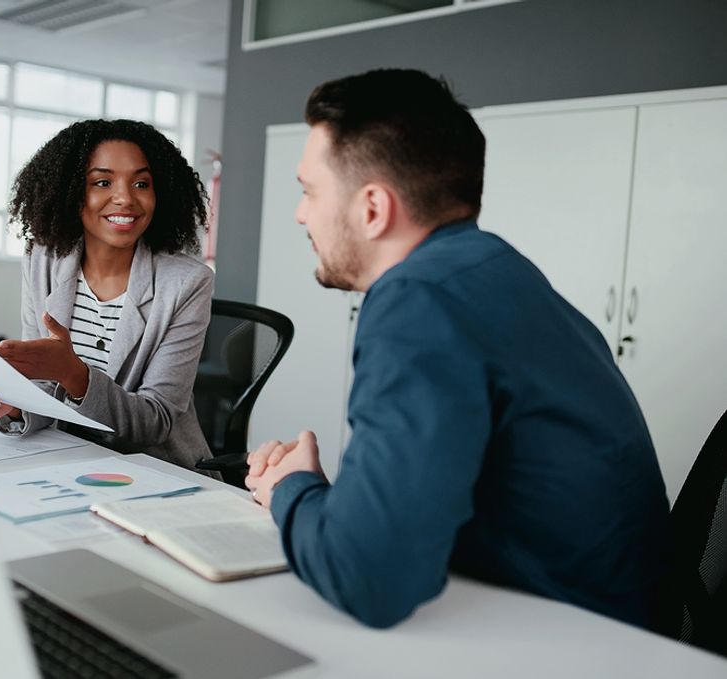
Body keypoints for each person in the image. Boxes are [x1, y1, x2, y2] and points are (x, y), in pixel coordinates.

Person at [243, 69, 673, 630]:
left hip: (560, 642)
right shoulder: (496, 271)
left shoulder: (416, 300)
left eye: (309, 191)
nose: (301, 213)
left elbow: (369, 578)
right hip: (605, 623)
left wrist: (288, 489)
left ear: (372, 208)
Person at [0, 119, 214, 471]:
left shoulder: (188, 283)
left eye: (141, 183)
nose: (125, 198)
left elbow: (155, 421)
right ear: (71, 191)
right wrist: (6, 404)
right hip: (66, 457)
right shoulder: (43, 259)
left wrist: (75, 375)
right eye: (102, 182)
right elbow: (43, 387)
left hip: (153, 470)